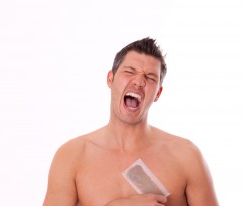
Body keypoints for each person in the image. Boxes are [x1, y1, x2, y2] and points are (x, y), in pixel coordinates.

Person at [42, 37, 219, 206]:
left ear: (158, 93)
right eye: (129, 71)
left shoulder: (186, 156)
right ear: (110, 79)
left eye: (150, 78)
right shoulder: (72, 156)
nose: (139, 81)